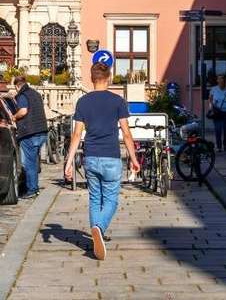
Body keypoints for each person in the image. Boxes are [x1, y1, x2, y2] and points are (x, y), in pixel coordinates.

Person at [62, 61, 140, 260]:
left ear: (91, 78)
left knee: (95, 198)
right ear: (110, 78)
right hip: (111, 157)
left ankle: (98, 234)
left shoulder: (83, 102)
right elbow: (126, 133)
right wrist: (134, 158)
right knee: (112, 200)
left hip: (91, 157)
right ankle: (99, 227)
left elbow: (77, 134)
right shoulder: (118, 101)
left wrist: (69, 162)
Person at [10, 73, 49, 198]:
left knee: (27, 163)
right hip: (41, 131)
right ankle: (34, 187)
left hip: (29, 133)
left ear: (17, 86)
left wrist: (13, 117)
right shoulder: (35, 93)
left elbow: (23, 111)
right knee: (33, 161)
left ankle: (32, 190)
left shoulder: (22, 95)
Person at [208, 73, 226, 152]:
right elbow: (210, 100)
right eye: (219, 79)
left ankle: (225, 144)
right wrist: (211, 107)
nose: (220, 80)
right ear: (217, 80)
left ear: (225, 80)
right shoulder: (214, 89)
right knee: (218, 129)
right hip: (217, 112)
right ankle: (219, 146)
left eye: (222, 79)